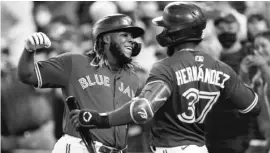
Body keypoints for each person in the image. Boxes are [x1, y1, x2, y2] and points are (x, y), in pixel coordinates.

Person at [69, 2, 261, 153]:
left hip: (170, 148)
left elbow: (142, 110)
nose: (162, 31)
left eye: (165, 27)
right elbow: (253, 105)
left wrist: (99, 119)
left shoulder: (166, 67)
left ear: (176, 31)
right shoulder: (222, 68)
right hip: (201, 148)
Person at [17, 13, 145, 153]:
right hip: (79, 147)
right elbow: (27, 75)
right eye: (124, 35)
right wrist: (29, 50)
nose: (131, 40)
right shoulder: (75, 62)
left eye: (132, 37)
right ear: (106, 38)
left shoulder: (132, 78)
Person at [239, 31, 270, 153]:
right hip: (264, 136)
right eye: (256, 47)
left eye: (263, 46)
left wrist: (263, 67)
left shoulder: (263, 70)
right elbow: (244, 101)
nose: (259, 51)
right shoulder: (259, 75)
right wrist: (243, 72)